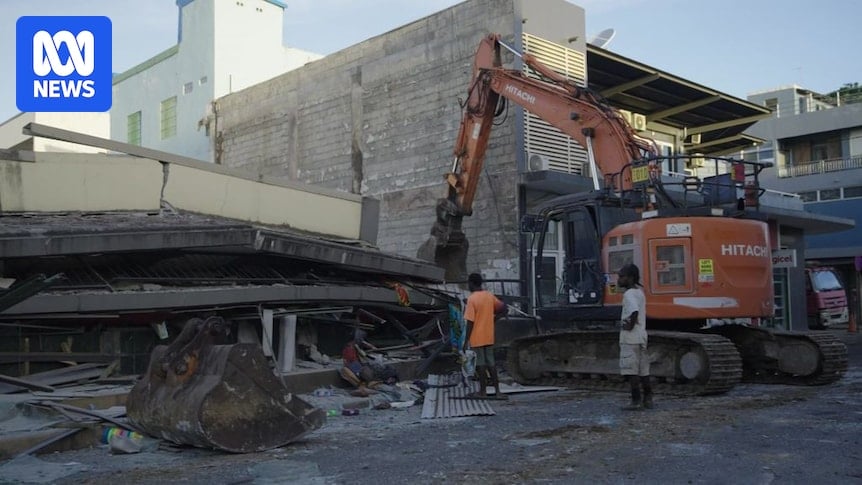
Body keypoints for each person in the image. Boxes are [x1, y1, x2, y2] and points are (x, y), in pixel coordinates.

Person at [464, 272, 507, 399]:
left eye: (469, 283)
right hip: (489, 335)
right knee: (491, 363)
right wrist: (493, 320)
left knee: (480, 365)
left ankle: (482, 392)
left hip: (477, 337)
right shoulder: (489, 296)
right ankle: (498, 391)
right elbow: (503, 309)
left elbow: (470, 322)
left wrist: (466, 340)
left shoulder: (472, 299)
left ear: (471, 283)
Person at [617, 263, 653, 410]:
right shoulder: (639, 293)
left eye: (621, 276)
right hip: (641, 336)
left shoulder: (629, 294)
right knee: (643, 371)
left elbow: (634, 312)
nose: (619, 279)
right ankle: (648, 399)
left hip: (630, 338)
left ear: (630, 278)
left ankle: (636, 401)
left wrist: (629, 326)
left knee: (632, 371)